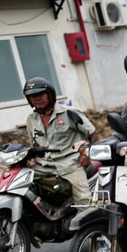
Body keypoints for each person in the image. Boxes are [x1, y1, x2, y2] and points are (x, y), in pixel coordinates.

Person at [22, 76, 92, 204]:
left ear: (50, 95)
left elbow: (91, 134)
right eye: (32, 96)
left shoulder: (69, 113)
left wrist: (86, 154)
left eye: (41, 94)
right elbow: (35, 144)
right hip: (43, 166)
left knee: (84, 201)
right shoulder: (31, 119)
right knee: (19, 181)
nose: (37, 98)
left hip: (70, 164)